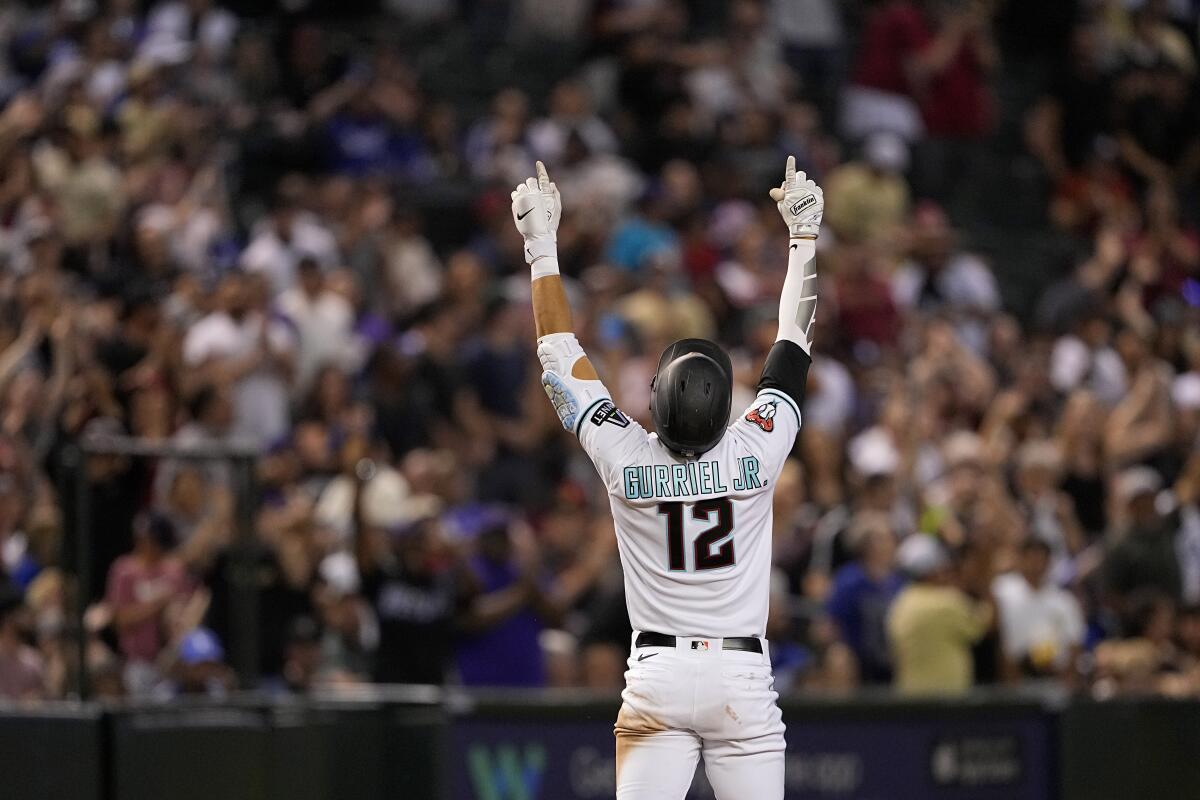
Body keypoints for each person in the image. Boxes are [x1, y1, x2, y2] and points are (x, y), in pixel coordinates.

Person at [510, 158, 823, 799]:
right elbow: (793, 341)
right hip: (741, 675)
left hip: (658, 672)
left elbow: (557, 352)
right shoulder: (756, 450)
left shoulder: (625, 458)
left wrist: (540, 246)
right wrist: (804, 239)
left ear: (655, 399)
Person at [887, 534, 992, 694]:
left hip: (910, 697)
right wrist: (987, 586)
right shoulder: (946, 602)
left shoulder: (902, 602)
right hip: (945, 701)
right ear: (933, 572)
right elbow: (983, 626)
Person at [992, 537, 1085, 682]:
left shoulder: (1064, 601)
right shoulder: (1001, 590)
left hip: (1053, 675)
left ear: (1049, 562)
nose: (1036, 565)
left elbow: (1075, 643)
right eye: (1031, 558)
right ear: (1021, 559)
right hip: (1012, 673)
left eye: (1041, 559)